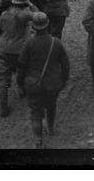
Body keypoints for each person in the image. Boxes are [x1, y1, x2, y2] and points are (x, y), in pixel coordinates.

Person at [18, 12, 70, 148]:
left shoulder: (29, 44)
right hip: (52, 84)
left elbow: (21, 65)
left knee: (36, 113)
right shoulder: (56, 43)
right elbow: (65, 64)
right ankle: (51, 128)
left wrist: (20, 83)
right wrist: (64, 80)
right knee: (51, 107)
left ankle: (38, 139)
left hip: (33, 84)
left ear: (34, 27)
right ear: (48, 25)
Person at [0, 0, 36, 117]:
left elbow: (2, 28)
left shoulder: (4, 14)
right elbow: (40, 16)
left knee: (3, 80)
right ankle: (22, 89)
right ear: (23, 4)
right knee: (23, 70)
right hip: (19, 50)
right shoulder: (24, 14)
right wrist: (31, 4)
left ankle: (3, 108)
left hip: (2, 48)